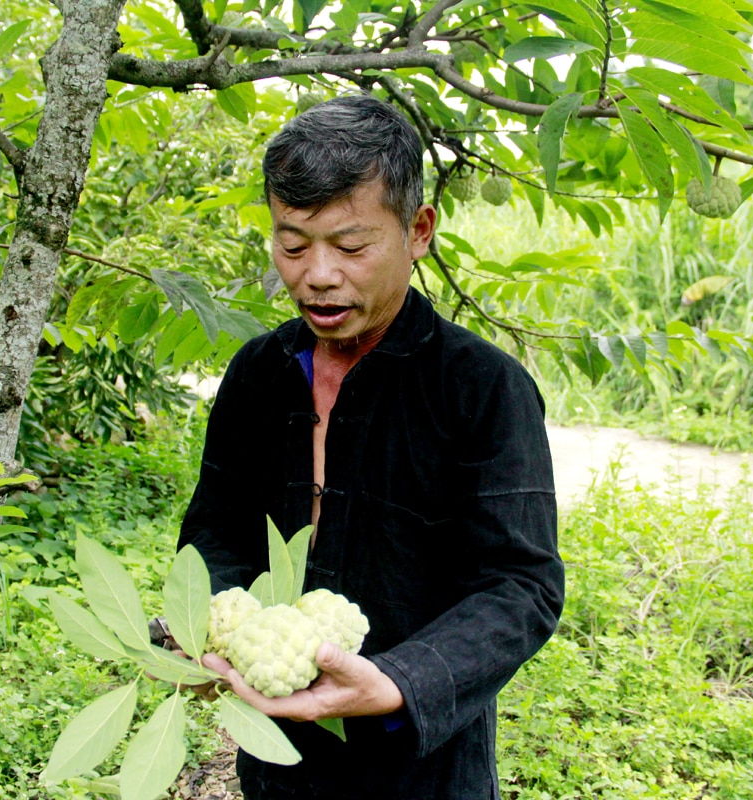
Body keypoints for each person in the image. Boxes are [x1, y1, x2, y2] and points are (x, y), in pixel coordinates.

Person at [179, 94, 564, 800]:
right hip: (280, 759)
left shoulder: (484, 388)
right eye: (292, 244)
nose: (317, 274)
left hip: (425, 769)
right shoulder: (259, 376)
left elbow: (521, 585)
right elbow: (217, 526)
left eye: (351, 246)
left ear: (418, 231)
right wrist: (209, 617)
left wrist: (399, 680)